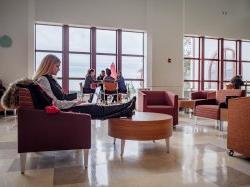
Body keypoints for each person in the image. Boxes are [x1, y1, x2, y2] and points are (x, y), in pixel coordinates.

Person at [32, 54, 136, 119]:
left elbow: (61, 97)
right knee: (98, 109)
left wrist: (78, 97)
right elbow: (55, 103)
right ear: (49, 65)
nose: (59, 69)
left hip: (67, 107)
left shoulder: (49, 79)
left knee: (98, 109)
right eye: (57, 66)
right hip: (66, 110)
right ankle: (126, 108)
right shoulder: (43, 80)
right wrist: (74, 102)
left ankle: (126, 109)